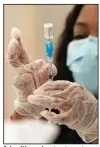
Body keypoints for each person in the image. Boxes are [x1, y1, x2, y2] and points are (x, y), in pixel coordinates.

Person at [7, 4, 98, 144]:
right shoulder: (61, 112)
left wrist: (95, 128)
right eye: (80, 35)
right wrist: (24, 110)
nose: (91, 48)